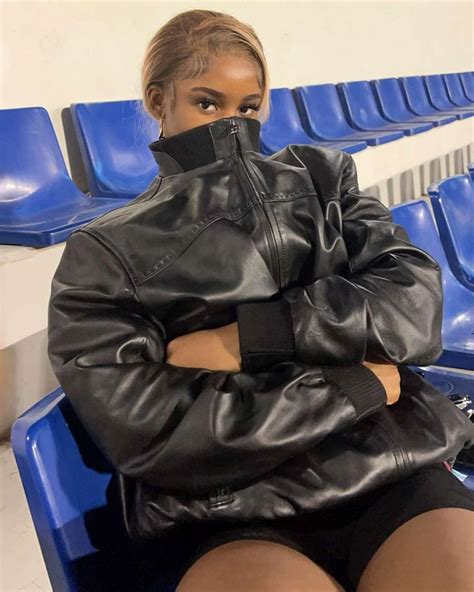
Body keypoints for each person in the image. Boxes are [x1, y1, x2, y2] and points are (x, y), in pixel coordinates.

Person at [48, 9, 474, 592]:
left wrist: (247, 340)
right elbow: (154, 429)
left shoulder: (326, 179)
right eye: (207, 103)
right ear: (157, 101)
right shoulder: (104, 251)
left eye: (247, 107)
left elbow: (414, 306)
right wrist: (356, 384)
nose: (230, 124)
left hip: (387, 472)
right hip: (225, 510)